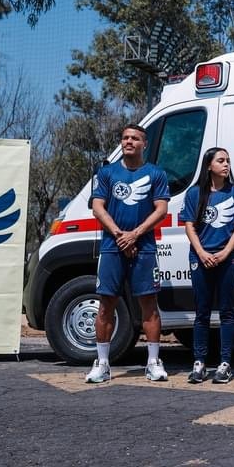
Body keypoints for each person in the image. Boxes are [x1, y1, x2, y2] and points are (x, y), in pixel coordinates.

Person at [86, 124, 170, 384]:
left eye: (134, 138)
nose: (128, 142)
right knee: (106, 306)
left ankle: (153, 363)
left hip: (143, 247)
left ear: (144, 143)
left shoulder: (156, 173)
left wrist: (135, 234)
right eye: (125, 138)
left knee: (149, 306)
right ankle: (102, 364)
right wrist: (121, 235)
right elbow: (97, 207)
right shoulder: (107, 172)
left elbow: (161, 209)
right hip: (113, 247)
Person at [180, 148, 234, 385]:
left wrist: (225, 252)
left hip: (227, 259)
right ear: (209, 165)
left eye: (228, 161)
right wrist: (201, 252)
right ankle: (199, 363)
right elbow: (189, 226)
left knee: (227, 311)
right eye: (221, 160)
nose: (226, 164)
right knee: (202, 312)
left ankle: (225, 364)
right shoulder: (193, 194)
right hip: (200, 258)